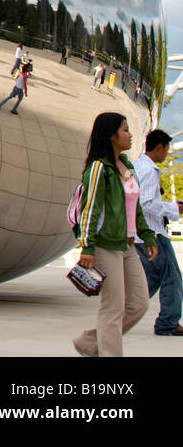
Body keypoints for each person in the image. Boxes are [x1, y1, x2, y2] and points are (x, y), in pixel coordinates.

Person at [72, 112, 157, 357]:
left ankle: (90, 342)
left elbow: (135, 207)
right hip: (105, 245)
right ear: (112, 135)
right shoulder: (99, 168)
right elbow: (89, 210)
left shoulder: (127, 166)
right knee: (113, 308)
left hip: (128, 245)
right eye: (125, 130)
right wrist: (87, 247)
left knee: (139, 303)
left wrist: (147, 235)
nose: (130, 135)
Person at [133, 129, 183, 337]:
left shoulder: (136, 166)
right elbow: (146, 203)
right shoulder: (150, 170)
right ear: (160, 147)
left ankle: (124, 311)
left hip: (139, 234)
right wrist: (174, 209)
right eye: (166, 150)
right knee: (172, 277)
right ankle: (168, 323)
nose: (166, 154)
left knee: (152, 278)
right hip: (153, 233)